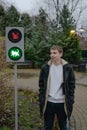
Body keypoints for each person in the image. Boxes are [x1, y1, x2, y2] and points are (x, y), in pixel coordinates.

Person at [39, 45, 76, 130]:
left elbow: (72, 85)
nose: (52, 55)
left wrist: (70, 99)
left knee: (63, 126)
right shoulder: (45, 67)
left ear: (61, 54)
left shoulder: (68, 68)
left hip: (62, 102)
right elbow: (41, 84)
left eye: (54, 53)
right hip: (49, 102)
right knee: (47, 126)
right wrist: (41, 97)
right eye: (51, 53)